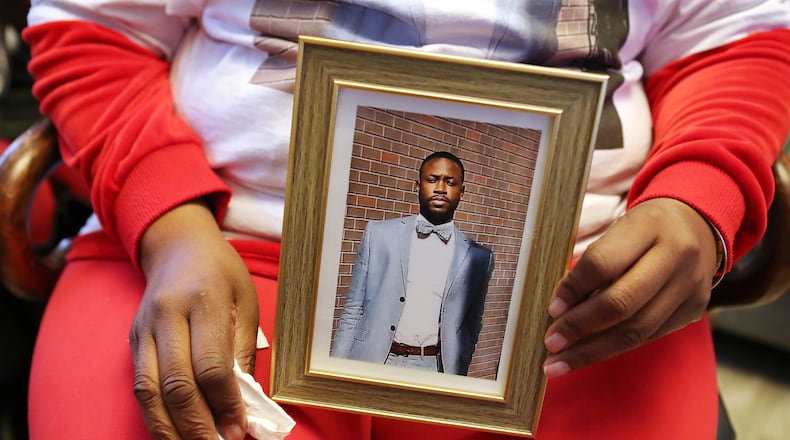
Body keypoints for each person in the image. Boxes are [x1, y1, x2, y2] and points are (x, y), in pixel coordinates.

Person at [19, 0, 790, 439]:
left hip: (576, 294)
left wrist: (700, 193)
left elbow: (733, 40)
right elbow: (94, 25)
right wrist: (168, 226)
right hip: (216, 255)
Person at [332, 151, 494, 375]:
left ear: (462, 191)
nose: (440, 188)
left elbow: (472, 323)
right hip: (373, 359)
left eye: (450, 182)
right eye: (432, 179)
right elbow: (353, 308)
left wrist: (461, 362)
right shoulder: (378, 234)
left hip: (433, 368)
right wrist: (335, 368)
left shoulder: (478, 258)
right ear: (417, 185)